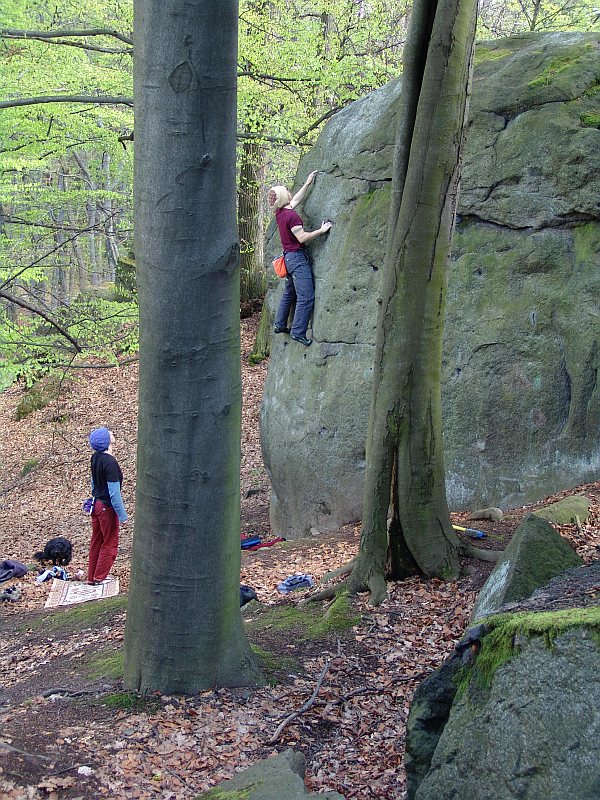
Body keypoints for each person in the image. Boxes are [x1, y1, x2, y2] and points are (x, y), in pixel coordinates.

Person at [270, 171, 332, 347]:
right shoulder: (291, 216)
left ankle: (280, 324)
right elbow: (302, 238)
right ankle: (298, 332)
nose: (290, 193)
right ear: (284, 197)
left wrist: (307, 183)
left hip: (288, 259)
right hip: (297, 260)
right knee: (306, 296)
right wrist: (321, 230)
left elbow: (295, 201)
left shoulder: (281, 212)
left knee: (289, 292)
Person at [87, 427, 127, 585]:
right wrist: (122, 515)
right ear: (106, 441)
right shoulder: (110, 463)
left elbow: (93, 482)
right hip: (106, 508)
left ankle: (92, 577)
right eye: (109, 433)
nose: (112, 433)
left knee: (97, 540)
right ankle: (100, 577)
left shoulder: (95, 457)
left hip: (96, 505)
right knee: (110, 542)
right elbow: (114, 494)